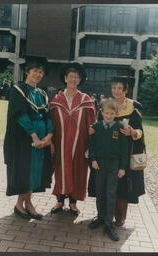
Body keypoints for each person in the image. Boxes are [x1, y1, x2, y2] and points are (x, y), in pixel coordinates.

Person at [91, 76, 145, 226]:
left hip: (126, 151)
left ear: (126, 90)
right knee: (104, 185)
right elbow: (98, 125)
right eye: (114, 88)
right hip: (106, 151)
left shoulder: (134, 106)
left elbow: (141, 131)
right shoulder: (107, 105)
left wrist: (133, 133)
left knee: (123, 183)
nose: (116, 91)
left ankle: (119, 216)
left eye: (120, 88)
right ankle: (102, 215)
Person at [4, 62, 53, 220]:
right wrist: (35, 136)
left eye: (40, 72)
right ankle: (28, 205)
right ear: (27, 72)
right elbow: (20, 115)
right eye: (34, 71)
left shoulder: (41, 93)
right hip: (25, 139)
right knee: (25, 170)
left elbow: (48, 115)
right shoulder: (18, 90)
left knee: (34, 172)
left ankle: (20, 205)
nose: (37, 74)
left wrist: (49, 135)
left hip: (41, 139)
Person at [50, 62, 96, 215]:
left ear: (79, 80)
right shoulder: (57, 100)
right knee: (60, 169)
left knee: (78, 170)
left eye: (76, 77)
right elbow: (52, 124)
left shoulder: (86, 100)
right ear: (65, 78)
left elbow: (92, 124)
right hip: (61, 143)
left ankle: (73, 202)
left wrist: (92, 145)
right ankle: (60, 200)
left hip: (80, 144)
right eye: (71, 76)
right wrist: (50, 142)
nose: (73, 79)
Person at [88, 98, 128, 241]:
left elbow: (124, 149)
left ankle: (109, 224)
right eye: (106, 113)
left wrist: (122, 167)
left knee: (110, 194)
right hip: (99, 165)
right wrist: (92, 159)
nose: (109, 116)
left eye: (112, 113)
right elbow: (91, 146)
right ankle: (100, 218)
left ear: (116, 114)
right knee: (100, 193)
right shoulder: (96, 127)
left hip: (114, 165)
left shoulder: (119, 128)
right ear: (101, 112)